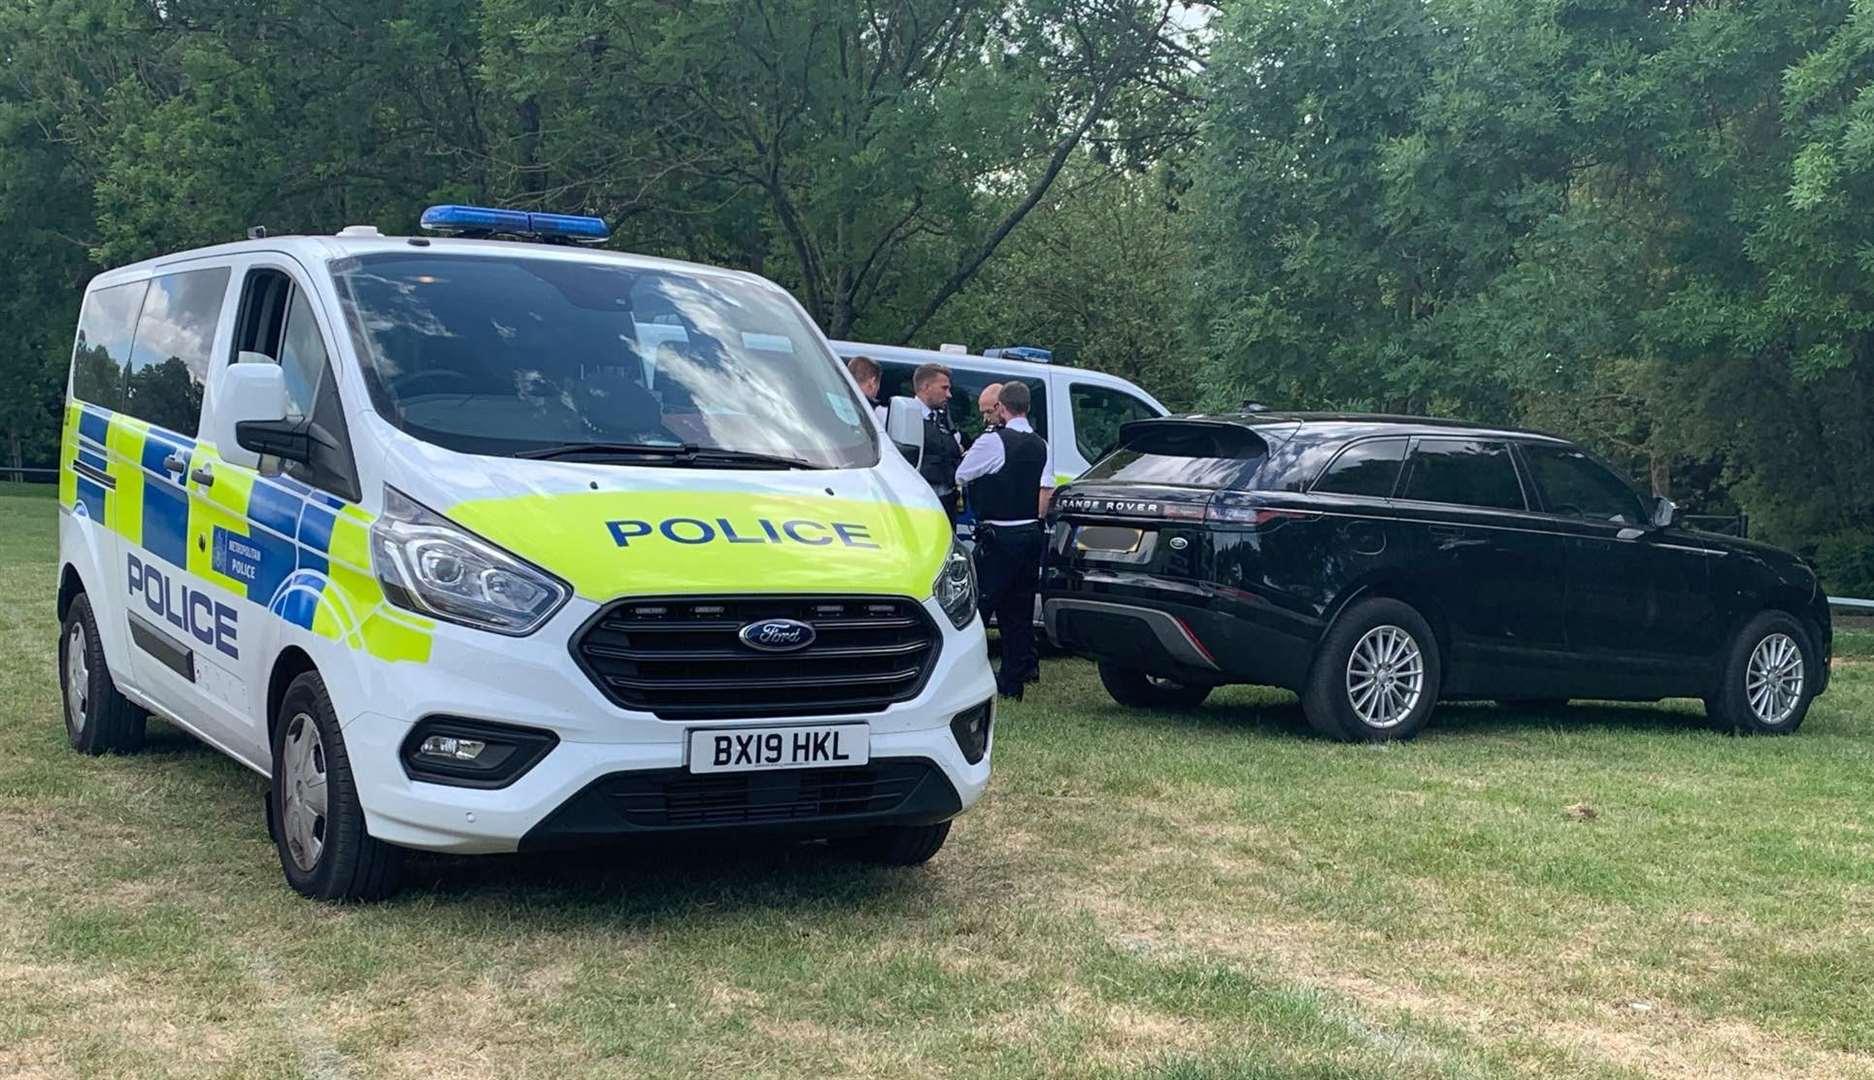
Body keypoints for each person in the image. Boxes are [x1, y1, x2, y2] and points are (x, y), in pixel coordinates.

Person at [956, 380, 1053, 698]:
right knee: (1019, 611)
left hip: (1000, 536)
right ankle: (1013, 680)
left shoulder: (994, 441)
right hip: (1030, 534)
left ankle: (963, 676)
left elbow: (962, 473)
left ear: (1002, 407)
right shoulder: (1041, 444)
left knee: (979, 605)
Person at [912, 362, 963, 521]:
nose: (949, 395)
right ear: (926, 387)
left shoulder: (943, 420)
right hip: (919, 502)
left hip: (946, 502)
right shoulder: (905, 417)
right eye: (944, 388)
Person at [846, 354, 886, 426]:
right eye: (878, 384)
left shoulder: (835, 402)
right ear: (872, 382)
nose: (878, 389)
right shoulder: (879, 414)